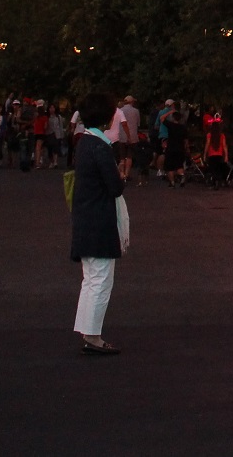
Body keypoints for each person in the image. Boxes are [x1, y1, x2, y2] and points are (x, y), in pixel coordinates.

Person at [69, 92, 126, 356]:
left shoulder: (83, 143)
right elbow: (115, 187)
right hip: (100, 221)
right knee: (101, 279)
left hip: (85, 218)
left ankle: (88, 331)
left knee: (90, 279)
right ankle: (93, 336)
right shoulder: (100, 147)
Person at [113, 95, 140, 181]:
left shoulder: (119, 111)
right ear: (132, 102)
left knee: (121, 156)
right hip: (132, 136)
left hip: (121, 136)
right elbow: (138, 124)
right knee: (129, 156)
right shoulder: (136, 111)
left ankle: (121, 173)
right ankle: (127, 174)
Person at [162, 105, 189, 188]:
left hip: (171, 148)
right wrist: (186, 148)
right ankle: (182, 176)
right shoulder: (183, 127)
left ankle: (172, 182)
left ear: (173, 118)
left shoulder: (170, 125)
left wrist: (170, 112)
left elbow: (162, 118)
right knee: (179, 165)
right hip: (180, 148)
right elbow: (186, 140)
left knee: (169, 166)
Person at [203, 113, 230, 189]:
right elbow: (224, 146)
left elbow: (207, 145)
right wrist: (226, 156)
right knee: (218, 169)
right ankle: (217, 182)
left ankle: (214, 183)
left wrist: (205, 154)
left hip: (211, 154)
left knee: (213, 169)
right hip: (219, 154)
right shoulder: (222, 135)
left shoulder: (209, 135)